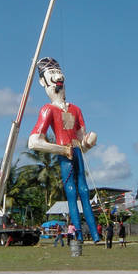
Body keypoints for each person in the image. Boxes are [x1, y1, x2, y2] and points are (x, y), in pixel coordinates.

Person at [28, 57, 100, 244]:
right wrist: (61, 150)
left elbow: (82, 141)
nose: (57, 75)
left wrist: (89, 143)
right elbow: (33, 142)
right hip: (65, 153)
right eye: (51, 72)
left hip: (75, 151)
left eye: (58, 71)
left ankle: (96, 235)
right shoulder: (48, 109)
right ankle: (78, 234)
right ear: (43, 81)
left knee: (84, 190)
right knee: (71, 190)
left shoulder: (76, 109)